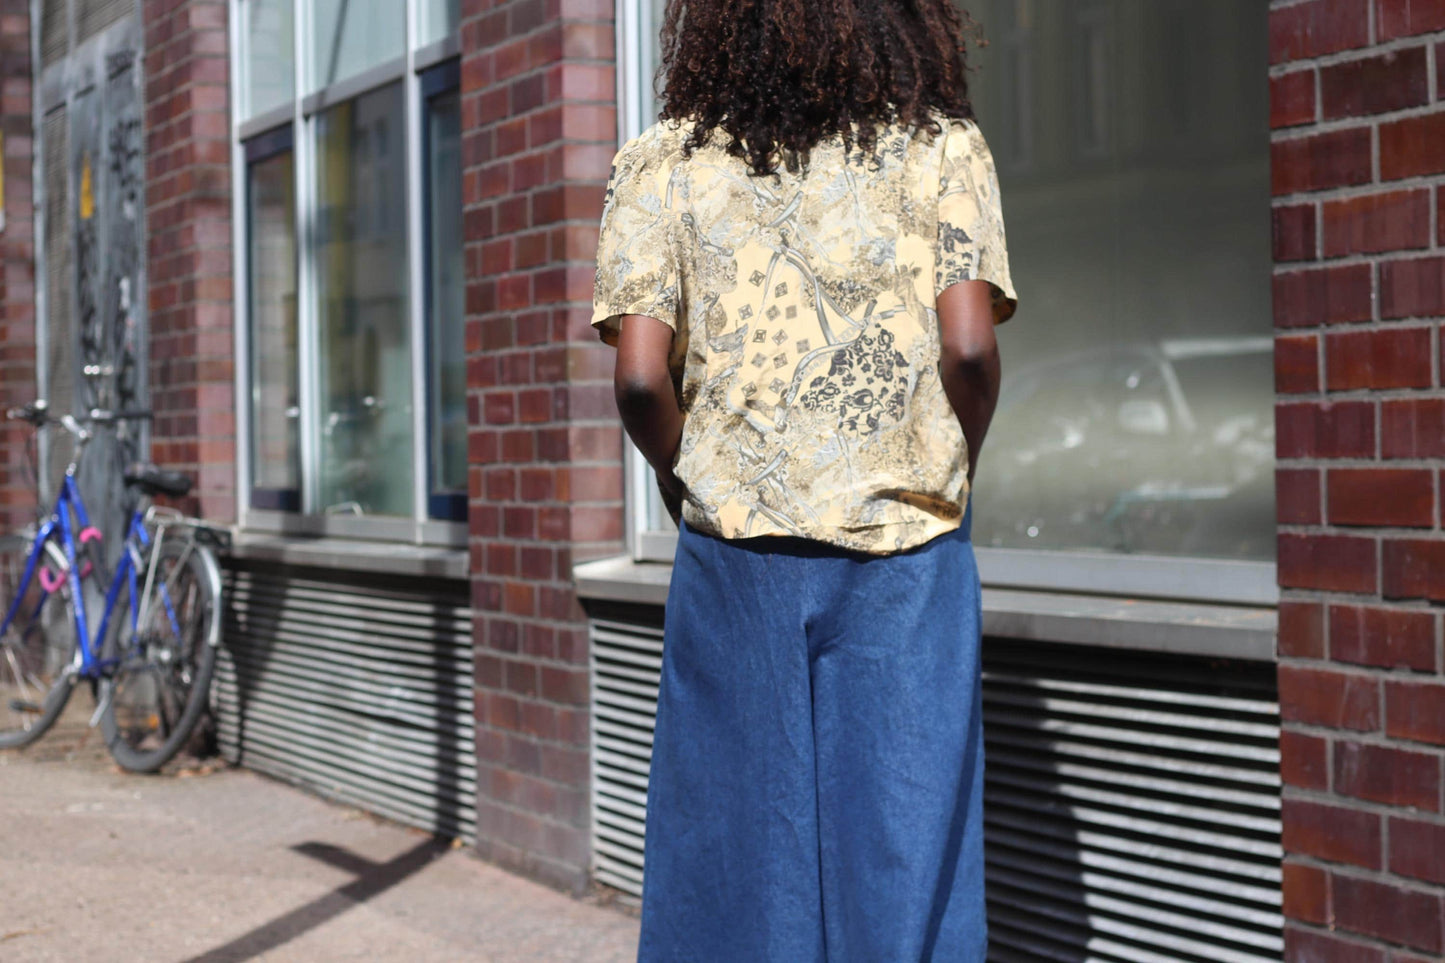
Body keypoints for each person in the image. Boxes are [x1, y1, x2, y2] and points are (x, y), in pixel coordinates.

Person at [591, 1, 1017, 958]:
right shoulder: (941, 150)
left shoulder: (666, 160)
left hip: (734, 560)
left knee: (733, 868)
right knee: (910, 858)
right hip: (905, 554)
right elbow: (969, 351)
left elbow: (639, 378)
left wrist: (678, 474)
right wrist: (950, 468)